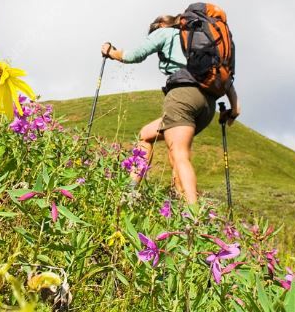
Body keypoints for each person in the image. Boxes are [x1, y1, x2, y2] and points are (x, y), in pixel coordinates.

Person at [101, 15, 240, 205]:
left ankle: (192, 214)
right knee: (146, 135)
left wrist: (111, 52)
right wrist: (231, 112)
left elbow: (134, 55)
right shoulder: (201, 49)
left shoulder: (164, 33)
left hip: (182, 97)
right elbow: (232, 97)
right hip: (207, 106)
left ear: (160, 25)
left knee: (179, 154)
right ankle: (140, 193)